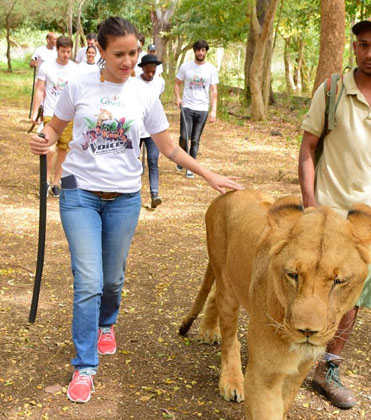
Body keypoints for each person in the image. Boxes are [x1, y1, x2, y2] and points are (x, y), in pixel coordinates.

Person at [29, 16, 242, 404]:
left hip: (124, 198)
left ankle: (107, 322)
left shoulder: (145, 93)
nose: (129, 62)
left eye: (133, 53)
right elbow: (55, 128)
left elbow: (169, 148)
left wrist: (209, 174)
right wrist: (42, 139)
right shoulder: (79, 83)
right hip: (79, 194)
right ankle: (84, 365)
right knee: (89, 281)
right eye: (120, 54)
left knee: (112, 280)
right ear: (102, 50)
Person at [298, 16, 371, 409]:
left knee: (352, 296)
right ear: (353, 47)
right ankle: (294, 358)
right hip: (327, 214)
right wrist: (311, 206)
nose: (369, 53)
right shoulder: (331, 90)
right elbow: (307, 148)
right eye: (363, 44)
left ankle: (327, 368)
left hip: (368, 222)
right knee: (306, 285)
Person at [31, 36, 77, 198]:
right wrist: (34, 112)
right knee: (48, 149)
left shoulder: (75, 69)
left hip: (69, 115)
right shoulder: (47, 67)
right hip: (51, 113)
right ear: (57, 50)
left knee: (63, 149)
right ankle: (45, 180)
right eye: (63, 51)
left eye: (68, 52)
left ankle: (57, 182)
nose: (66, 54)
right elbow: (40, 90)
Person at [174, 40, 218, 179]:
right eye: (198, 50)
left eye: (203, 50)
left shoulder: (211, 69)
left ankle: (190, 167)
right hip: (187, 106)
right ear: (194, 51)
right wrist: (178, 98)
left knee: (195, 139)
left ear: (206, 52)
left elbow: (213, 90)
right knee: (184, 137)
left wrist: (213, 110)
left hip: (202, 108)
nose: (200, 52)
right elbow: (177, 84)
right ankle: (182, 159)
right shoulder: (186, 67)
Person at [137, 53, 166, 208]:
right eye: (147, 71)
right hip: (136, 129)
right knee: (134, 160)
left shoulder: (160, 83)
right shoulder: (134, 83)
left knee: (153, 160)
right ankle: (133, 193)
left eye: (153, 71)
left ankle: (154, 193)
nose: (150, 74)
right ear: (142, 69)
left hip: (152, 130)